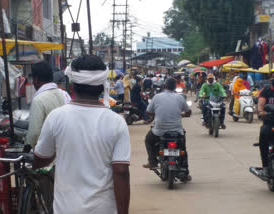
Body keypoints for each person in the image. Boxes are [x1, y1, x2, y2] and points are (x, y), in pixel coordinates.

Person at [33, 55, 130, 214]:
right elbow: (121, 171)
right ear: (101, 86)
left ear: (72, 85)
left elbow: (41, 158)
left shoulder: (56, 117)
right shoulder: (116, 122)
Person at [143, 78, 191, 175]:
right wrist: (182, 115)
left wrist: (154, 115)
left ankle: (153, 162)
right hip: (176, 132)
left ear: (164, 86)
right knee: (183, 149)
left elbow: (148, 111)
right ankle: (185, 171)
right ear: (175, 87)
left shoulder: (156, 97)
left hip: (159, 131)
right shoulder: (180, 97)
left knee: (148, 140)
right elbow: (188, 112)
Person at [25, 61, 68, 148]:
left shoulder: (38, 100)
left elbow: (34, 133)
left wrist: (27, 147)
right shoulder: (64, 94)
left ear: (36, 79)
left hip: (47, 155)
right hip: (65, 149)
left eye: (33, 79)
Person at [258, 73, 274, 176]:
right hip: (270, 123)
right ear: (270, 79)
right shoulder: (265, 91)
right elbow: (261, 105)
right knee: (263, 134)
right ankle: (266, 167)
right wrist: (261, 112)